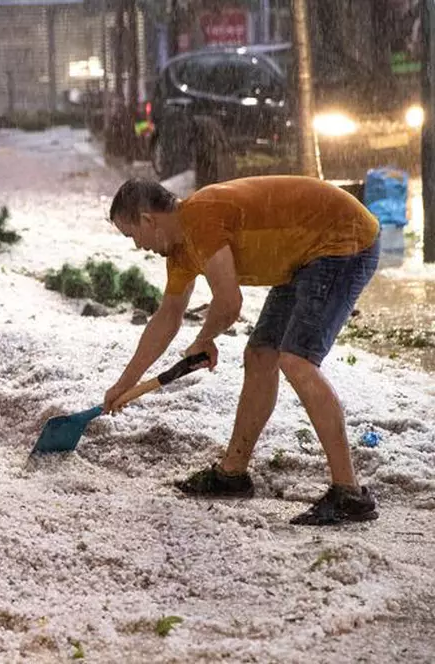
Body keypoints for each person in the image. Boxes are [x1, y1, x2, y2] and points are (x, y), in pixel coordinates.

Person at [104, 176, 381, 526]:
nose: (138, 246)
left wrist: (204, 339)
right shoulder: (181, 251)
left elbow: (229, 303)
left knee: (297, 360)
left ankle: (349, 494)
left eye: (132, 235)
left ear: (148, 220)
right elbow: (167, 318)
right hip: (302, 257)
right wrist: (125, 384)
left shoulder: (200, 218)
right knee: (261, 354)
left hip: (342, 238)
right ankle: (232, 474)